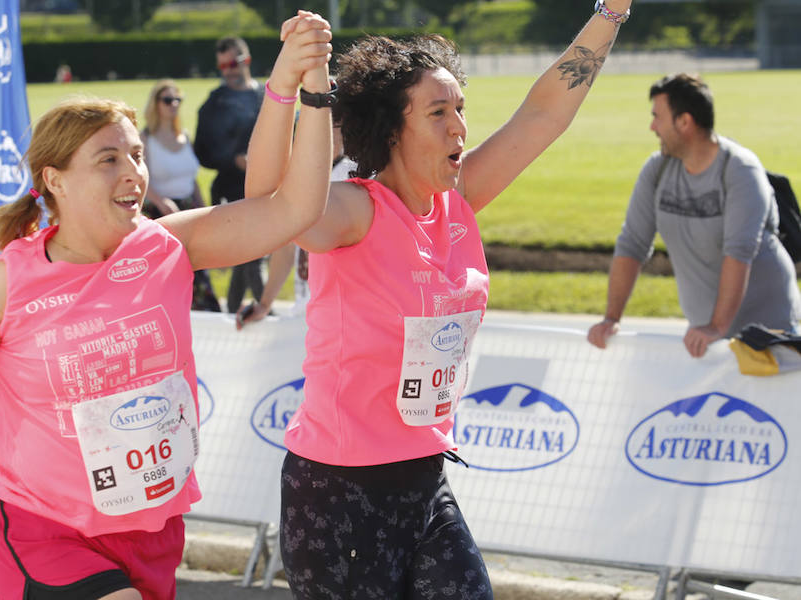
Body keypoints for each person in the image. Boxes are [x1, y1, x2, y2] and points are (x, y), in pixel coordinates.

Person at [0, 11, 333, 599]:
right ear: (54, 180)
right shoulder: (4, 286)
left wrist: (301, 87)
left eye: (136, 155)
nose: (133, 172)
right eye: (109, 159)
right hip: (45, 533)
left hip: (153, 533)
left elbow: (295, 209)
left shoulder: (168, 247)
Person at [245, 2, 634, 597]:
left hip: (424, 481)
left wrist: (611, 9)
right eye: (438, 112)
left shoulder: (458, 202)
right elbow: (267, 204)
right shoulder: (354, 210)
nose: (460, 127)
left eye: (460, 109)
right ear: (393, 129)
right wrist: (284, 86)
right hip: (339, 494)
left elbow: (544, 114)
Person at [587, 73, 801, 358]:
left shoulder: (740, 170)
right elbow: (632, 244)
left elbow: (738, 252)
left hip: (770, 336)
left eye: (657, 117)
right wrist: (611, 319)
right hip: (706, 337)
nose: (652, 126)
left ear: (684, 122)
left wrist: (716, 327)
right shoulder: (658, 169)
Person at [236, 115, 354, 326]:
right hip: (306, 308)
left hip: (343, 312)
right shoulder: (298, 175)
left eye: (328, 124)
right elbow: (288, 245)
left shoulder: (356, 176)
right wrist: (265, 303)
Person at [194, 35, 266, 313]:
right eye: (224, 66)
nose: (231, 70)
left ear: (246, 60)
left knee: (248, 256)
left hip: (269, 187)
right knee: (253, 254)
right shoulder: (213, 105)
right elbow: (203, 154)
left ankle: (233, 309)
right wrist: (234, 161)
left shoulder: (264, 95)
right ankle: (265, 310)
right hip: (232, 190)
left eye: (235, 63)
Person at [141, 79, 220, 312]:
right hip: (160, 213)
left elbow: (191, 177)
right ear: (155, 104)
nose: (173, 104)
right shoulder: (146, 139)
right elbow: (141, 180)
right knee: (168, 272)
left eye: (178, 99)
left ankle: (205, 315)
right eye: (167, 100)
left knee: (198, 268)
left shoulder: (184, 136)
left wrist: (204, 208)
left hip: (189, 207)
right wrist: (161, 202)